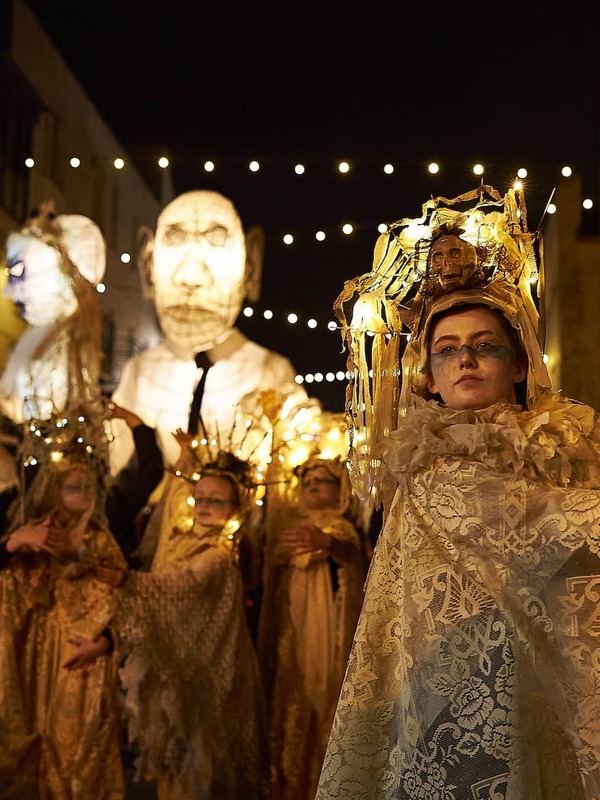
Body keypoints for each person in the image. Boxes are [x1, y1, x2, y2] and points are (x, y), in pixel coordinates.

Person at [316, 185, 600, 799]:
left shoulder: (569, 452)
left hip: (545, 688)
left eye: (483, 346)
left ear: (519, 364)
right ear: (430, 377)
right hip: (447, 696)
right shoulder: (422, 472)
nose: (465, 360)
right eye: (447, 351)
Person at [99, 443, 270, 800]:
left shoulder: (218, 555)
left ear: (235, 507)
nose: (204, 506)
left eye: (216, 501)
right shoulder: (185, 541)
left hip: (210, 673)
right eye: (200, 498)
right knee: (179, 764)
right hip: (184, 666)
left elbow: (179, 587)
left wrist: (127, 582)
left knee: (203, 764)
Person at [110, 189, 307, 475]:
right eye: (175, 239)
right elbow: (113, 465)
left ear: (250, 266)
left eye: (217, 240)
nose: (190, 277)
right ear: (147, 263)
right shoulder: (139, 373)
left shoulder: (270, 372)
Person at [0, 446, 127, 799]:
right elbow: (12, 593)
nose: (84, 495)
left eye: (88, 487)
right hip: (33, 657)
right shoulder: (34, 531)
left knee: (77, 745)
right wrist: (17, 543)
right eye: (74, 487)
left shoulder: (99, 538)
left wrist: (105, 641)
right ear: (55, 491)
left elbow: (121, 597)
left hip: (78, 654)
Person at [258, 455, 366, 800]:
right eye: (307, 482)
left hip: (328, 632)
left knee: (322, 691)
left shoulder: (342, 528)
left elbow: (354, 564)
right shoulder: (291, 527)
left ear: (340, 490)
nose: (313, 486)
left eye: (322, 480)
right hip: (293, 628)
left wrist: (328, 543)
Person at [0, 201, 106, 423]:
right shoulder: (37, 336)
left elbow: (50, 423)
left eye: (20, 273)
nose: (9, 292)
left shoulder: (65, 349)